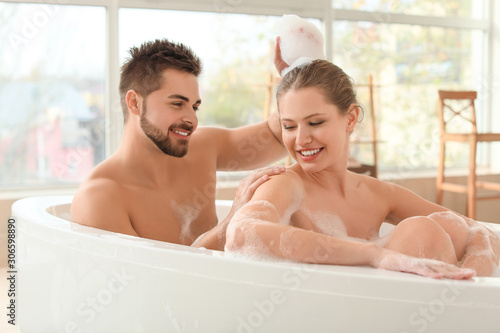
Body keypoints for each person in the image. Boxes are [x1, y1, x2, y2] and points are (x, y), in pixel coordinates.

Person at [225, 59, 500, 278]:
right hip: (328, 316)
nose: (301, 139)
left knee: (441, 227)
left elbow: (480, 232)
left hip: (385, 312)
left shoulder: (378, 193)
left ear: (351, 118)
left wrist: (470, 280)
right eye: (289, 126)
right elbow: (242, 234)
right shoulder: (285, 184)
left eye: (315, 122)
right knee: (420, 231)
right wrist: (374, 254)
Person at [70, 39, 288, 250]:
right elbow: (151, 282)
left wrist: (293, 77)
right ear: (135, 103)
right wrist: (234, 220)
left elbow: (277, 134)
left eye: (194, 107)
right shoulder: (100, 197)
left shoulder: (202, 148)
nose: (191, 119)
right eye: (177, 103)